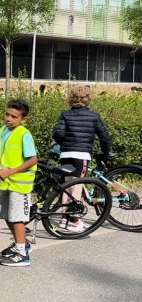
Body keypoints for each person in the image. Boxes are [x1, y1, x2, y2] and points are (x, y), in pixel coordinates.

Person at [50, 85, 111, 233]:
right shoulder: (94, 116)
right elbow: (105, 137)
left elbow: (58, 134)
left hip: (66, 155)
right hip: (81, 156)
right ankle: (74, 220)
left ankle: (63, 218)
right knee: (77, 187)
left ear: (71, 99)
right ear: (88, 99)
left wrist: (57, 142)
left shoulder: (65, 114)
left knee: (67, 186)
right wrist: (105, 152)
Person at [0, 99, 38, 268]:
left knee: (17, 218)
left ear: (23, 120)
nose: (8, 118)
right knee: (7, 215)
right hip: (6, 183)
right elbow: (4, 155)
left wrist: (10, 172)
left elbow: (33, 159)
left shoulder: (24, 134)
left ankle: (22, 254)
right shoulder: (4, 131)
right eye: (7, 114)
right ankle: (21, 244)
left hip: (20, 184)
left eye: (14, 116)